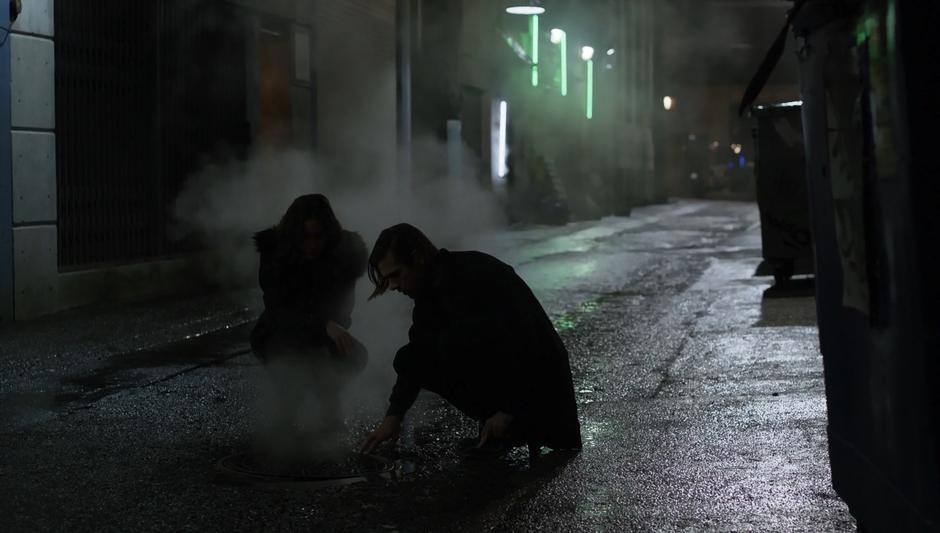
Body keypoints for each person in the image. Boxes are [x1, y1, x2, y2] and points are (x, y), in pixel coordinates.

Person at [359, 223, 581, 456]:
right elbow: (418, 354)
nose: (393, 286)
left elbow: (525, 345)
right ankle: (497, 426)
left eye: (396, 275)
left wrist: (508, 410)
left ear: (417, 258)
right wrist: (393, 417)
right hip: (515, 387)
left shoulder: (474, 276)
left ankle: (510, 426)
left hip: (543, 393)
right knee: (411, 357)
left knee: (451, 343)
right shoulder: (430, 294)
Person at [249, 194, 368, 440]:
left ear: (329, 234)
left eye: (318, 236)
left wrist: (329, 327)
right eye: (305, 237)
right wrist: (322, 324)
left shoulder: (344, 253)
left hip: (324, 334)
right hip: (278, 332)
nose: (312, 244)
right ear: (293, 236)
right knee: (293, 358)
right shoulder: (275, 252)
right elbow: (278, 309)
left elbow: (343, 308)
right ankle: (288, 406)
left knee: (349, 355)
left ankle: (328, 402)